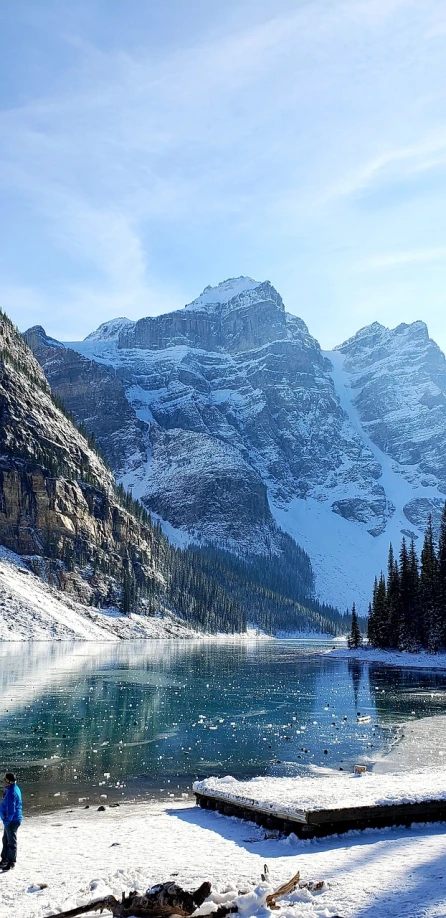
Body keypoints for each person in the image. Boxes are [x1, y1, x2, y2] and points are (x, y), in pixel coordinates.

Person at [0, 773, 22, 872]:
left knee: (11, 842)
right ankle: (4, 859)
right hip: (11, 820)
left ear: (8, 782)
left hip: (12, 821)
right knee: (5, 840)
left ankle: (11, 862)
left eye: (4, 780)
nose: (3, 781)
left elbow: (11, 810)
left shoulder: (11, 793)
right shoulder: (13, 789)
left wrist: (6, 821)